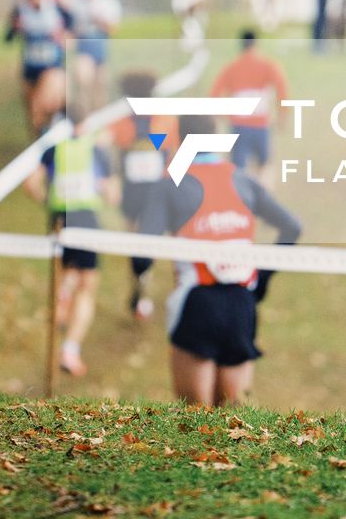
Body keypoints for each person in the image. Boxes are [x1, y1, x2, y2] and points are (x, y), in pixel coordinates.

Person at [136, 115, 301, 407]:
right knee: (233, 421)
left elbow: (141, 254)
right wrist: (261, 279)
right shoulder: (244, 180)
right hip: (241, 303)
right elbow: (292, 227)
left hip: (195, 302)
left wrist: (139, 284)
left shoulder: (170, 184)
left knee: (196, 421)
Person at [24, 109, 117, 377]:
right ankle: (71, 350)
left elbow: (30, 184)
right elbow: (112, 194)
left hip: (59, 218)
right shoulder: (96, 149)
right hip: (87, 219)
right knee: (87, 286)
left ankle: (63, 297)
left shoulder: (54, 148)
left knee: (67, 273)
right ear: (86, 122)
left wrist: (47, 201)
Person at [111, 70, 178, 321]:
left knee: (137, 243)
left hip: (139, 193)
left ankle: (141, 290)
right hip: (149, 192)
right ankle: (143, 292)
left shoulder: (122, 122)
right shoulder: (163, 120)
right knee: (157, 243)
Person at [208, 30, 286, 183]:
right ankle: (263, 201)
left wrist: (222, 114)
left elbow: (214, 94)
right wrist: (283, 113)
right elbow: (282, 89)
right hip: (261, 125)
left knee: (237, 171)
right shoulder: (267, 65)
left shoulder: (232, 67)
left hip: (239, 125)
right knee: (264, 167)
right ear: (255, 44)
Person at [7, 0, 73, 134]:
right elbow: (8, 37)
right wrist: (16, 28)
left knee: (40, 107)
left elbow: (72, 29)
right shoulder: (20, 11)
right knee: (33, 118)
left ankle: (55, 137)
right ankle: (41, 149)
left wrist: (65, 37)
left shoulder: (57, 9)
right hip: (30, 70)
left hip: (51, 68)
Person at [71, 0, 122, 114]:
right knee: (83, 84)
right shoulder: (77, 2)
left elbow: (113, 29)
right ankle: (84, 118)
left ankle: (99, 122)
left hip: (101, 52)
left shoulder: (109, 1)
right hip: (83, 51)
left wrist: (99, 20)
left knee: (100, 91)